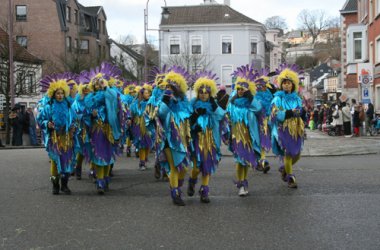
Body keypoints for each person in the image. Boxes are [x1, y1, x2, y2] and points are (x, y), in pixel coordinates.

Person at [187, 70, 228, 203]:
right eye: (201, 92)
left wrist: (214, 104)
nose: (204, 94)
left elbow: (221, 116)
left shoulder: (213, 106)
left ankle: (204, 190)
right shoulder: (192, 106)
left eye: (206, 92)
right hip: (196, 141)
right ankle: (192, 181)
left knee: (207, 166)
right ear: (197, 93)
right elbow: (186, 122)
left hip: (210, 141)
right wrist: (195, 122)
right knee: (196, 167)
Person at [157, 66, 192, 206]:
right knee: (174, 167)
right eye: (168, 85)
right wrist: (166, 99)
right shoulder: (163, 101)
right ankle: (175, 193)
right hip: (168, 140)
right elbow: (160, 114)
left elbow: (189, 115)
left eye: (174, 86)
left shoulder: (184, 102)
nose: (171, 88)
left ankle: (176, 185)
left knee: (183, 168)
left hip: (182, 140)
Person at [37, 75, 78, 195]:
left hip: (66, 138)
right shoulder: (49, 107)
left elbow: (75, 120)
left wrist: (73, 127)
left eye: (61, 93)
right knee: (55, 161)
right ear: (53, 94)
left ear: (65, 93)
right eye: (57, 93)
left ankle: (64, 185)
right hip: (54, 138)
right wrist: (47, 124)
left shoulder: (69, 106)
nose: (60, 95)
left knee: (66, 161)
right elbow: (40, 120)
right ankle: (55, 185)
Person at [84, 70, 122, 194]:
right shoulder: (89, 98)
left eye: (100, 83)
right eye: (95, 83)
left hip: (109, 129)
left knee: (108, 155)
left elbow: (114, 100)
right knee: (99, 155)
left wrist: (105, 86)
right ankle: (100, 181)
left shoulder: (109, 94)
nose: (98, 85)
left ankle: (105, 179)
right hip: (97, 131)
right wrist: (91, 114)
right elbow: (84, 114)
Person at [227, 64, 262, 196]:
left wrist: (250, 97)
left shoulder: (251, 103)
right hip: (237, 136)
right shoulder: (232, 103)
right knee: (238, 160)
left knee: (246, 160)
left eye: (243, 89)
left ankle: (244, 181)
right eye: (239, 88)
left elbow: (258, 109)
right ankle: (241, 183)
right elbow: (227, 116)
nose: (241, 91)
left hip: (249, 136)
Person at [271, 64, 304, 188]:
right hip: (284, 129)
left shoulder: (297, 98)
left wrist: (299, 112)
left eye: (289, 83)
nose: (286, 85)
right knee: (289, 153)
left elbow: (300, 111)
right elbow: (277, 115)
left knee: (297, 154)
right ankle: (290, 178)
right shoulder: (277, 98)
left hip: (296, 129)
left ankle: (284, 168)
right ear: (281, 84)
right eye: (284, 83)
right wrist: (290, 112)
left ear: (293, 85)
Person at [130, 83, 155, 171]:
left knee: (149, 144)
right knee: (141, 145)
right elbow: (132, 113)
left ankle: (145, 158)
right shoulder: (136, 103)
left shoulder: (151, 103)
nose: (148, 94)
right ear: (142, 94)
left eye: (149, 93)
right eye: (146, 93)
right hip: (139, 125)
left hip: (149, 126)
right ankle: (142, 162)